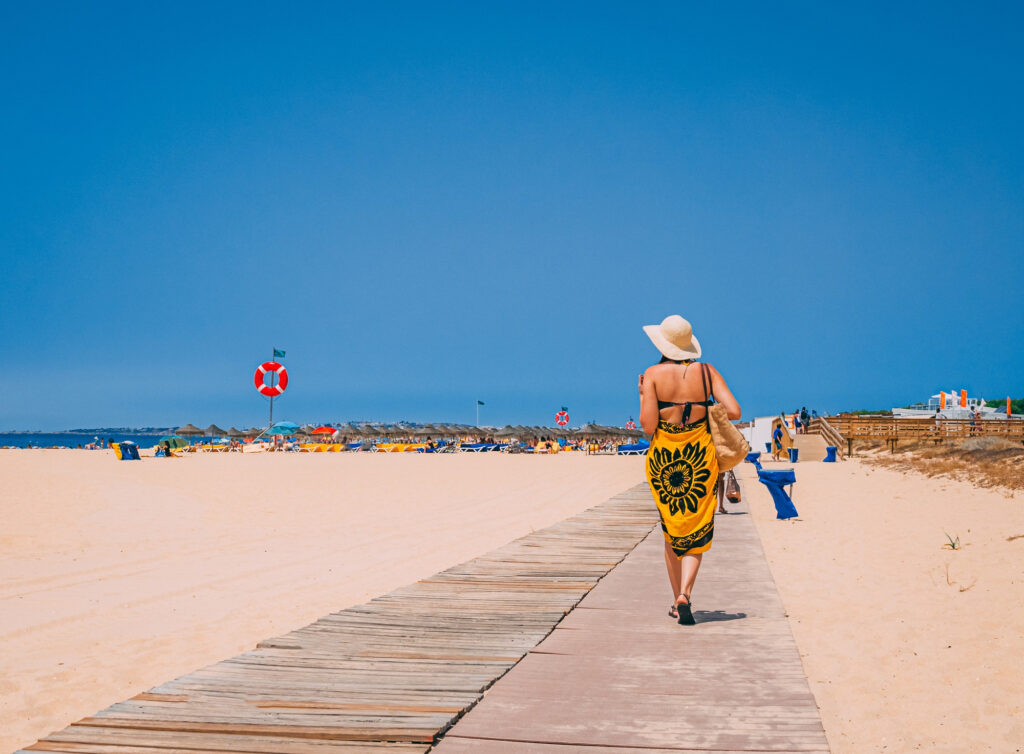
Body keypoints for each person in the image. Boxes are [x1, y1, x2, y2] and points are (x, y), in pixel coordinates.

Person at [638, 315, 741, 626]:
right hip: (699, 459)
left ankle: (675, 601)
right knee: (698, 525)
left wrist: (644, 394)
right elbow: (735, 411)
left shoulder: (653, 374)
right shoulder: (707, 372)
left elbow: (647, 427)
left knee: (672, 528)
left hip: (665, 461)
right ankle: (685, 593)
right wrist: (699, 407)